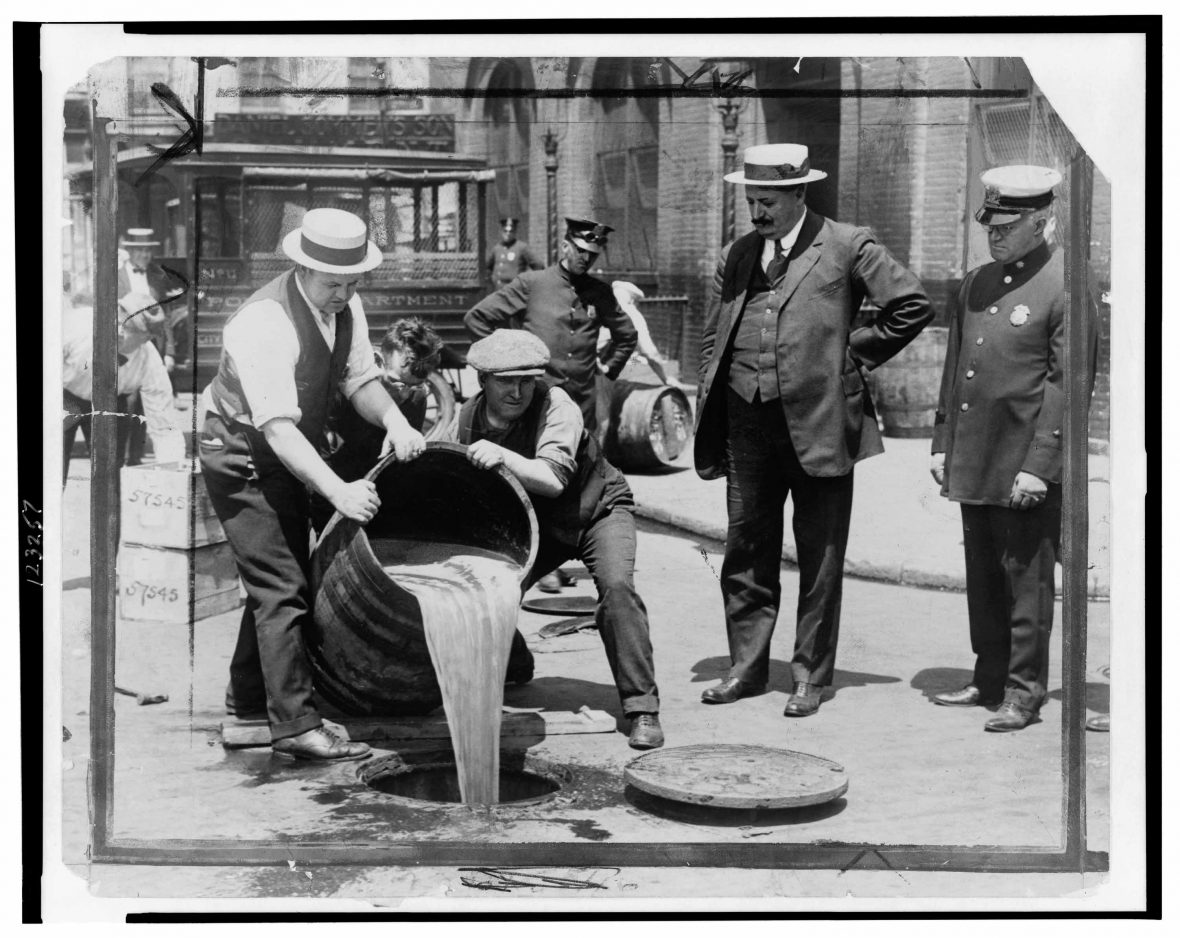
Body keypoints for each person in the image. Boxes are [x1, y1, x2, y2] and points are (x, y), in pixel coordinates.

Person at [694, 143, 933, 717]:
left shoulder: (848, 243)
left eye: (768, 201)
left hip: (821, 420)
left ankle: (810, 676)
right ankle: (746, 670)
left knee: (821, 555)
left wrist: (851, 357)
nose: (758, 212)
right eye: (751, 200)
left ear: (800, 192)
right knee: (746, 548)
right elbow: (716, 332)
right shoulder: (740, 252)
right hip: (746, 422)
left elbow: (911, 305)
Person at [198, 208, 426, 763]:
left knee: (283, 579)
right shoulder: (263, 322)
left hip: (280, 446)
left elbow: (359, 379)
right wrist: (338, 491)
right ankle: (296, 725)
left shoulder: (345, 306)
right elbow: (277, 430)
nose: (343, 294)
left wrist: (395, 420)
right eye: (332, 283)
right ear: (301, 267)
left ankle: (248, 711)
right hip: (240, 449)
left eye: (353, 283)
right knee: (281, 585)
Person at [437, 329, 664, 750]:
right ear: (482, 380)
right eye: (506, 380)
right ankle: (516, 659)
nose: (519, 390)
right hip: (540, 524)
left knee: (616, 590)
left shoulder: (556, 404)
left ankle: (641, 707)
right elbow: (444, 471)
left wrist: (502, 454)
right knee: (486, 589)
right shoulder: (467, 417)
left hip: (598, 511)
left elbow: (553, 479)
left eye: (527, 379)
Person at [930, 165, 1097, 733]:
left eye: (1007, 225)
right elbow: (958, 369)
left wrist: (1040, 467)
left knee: (1026, 580)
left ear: (1042, 221)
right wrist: (941, 441)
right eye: (990, 225)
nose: (994, 235)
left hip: (1024, 461)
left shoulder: (1065, 284)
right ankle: (990, 677)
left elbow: (1067, 385)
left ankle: (1024, 692)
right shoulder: (977, 282)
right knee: (983, 577)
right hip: (975, 456)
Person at [467, 217, 639, 594]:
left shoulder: (599, 292)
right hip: (535, 404)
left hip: (583, 404)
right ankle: (541, 560)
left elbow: (627, 335)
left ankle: (583, 551)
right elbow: (479, 317)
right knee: (536, 479)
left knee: (580, 479)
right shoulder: (533, 284)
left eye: (592, 255)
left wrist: (606, 370)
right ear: (564, 246)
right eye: (579, 251)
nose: (584, 260)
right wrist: (508, 360)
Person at [310, 317, 445, 531]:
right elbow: (320, 448)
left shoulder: (416, 398)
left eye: (414, 386)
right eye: (395, 382)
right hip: (333, 480)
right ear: (379, 363)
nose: (403, 394)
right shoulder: (344, 390)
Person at [62, 289, 186, 486]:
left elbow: (164, 425)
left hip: (111, 402)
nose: (118, 329)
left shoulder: (150, 362)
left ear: (146, 338)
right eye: (118, 318)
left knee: (111, 479)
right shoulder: (75, 326)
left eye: (130, 328)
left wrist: (173, 480)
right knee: (51, 470)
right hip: (64, 396)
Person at [486, 217, 542, 289]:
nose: (508, 234)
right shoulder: (496, 248)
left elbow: (538, 265)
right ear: (501, 232)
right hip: (498, 290)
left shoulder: (522, 247)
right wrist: (491, 282)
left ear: (515, 232)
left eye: (511, 231)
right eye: (505, 231)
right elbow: (487, 267)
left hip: (515, 291)